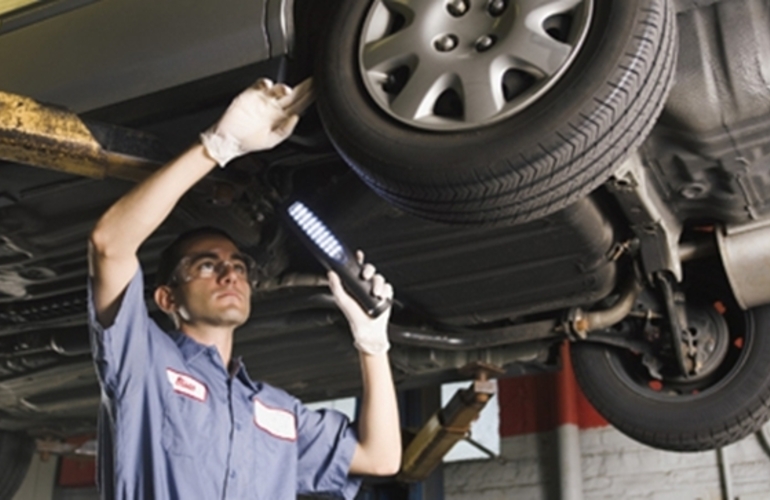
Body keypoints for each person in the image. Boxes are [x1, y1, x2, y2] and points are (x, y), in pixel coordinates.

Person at [87, 78, 401, 499]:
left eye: (238, 265)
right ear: (167, 298)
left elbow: (380, 458)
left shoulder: (275, 411)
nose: (230, 274)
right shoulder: (145, 364)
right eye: (206, 265)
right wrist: (218, 146)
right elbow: (110, 245)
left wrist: (373, 344)